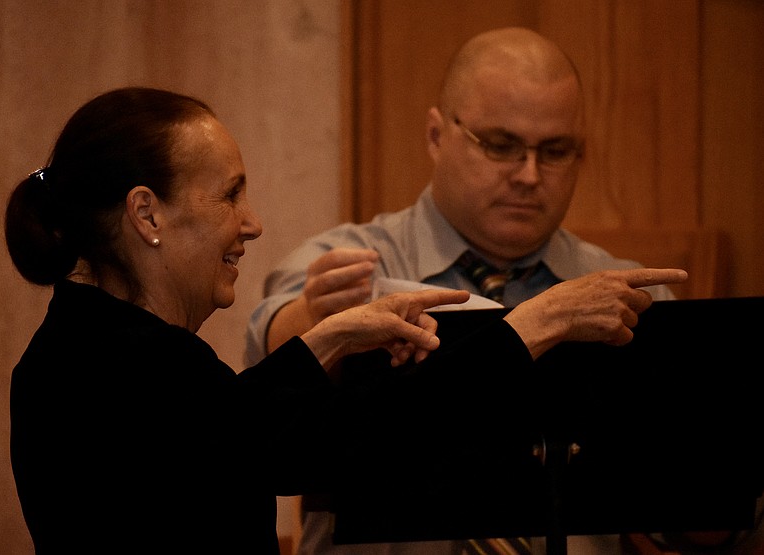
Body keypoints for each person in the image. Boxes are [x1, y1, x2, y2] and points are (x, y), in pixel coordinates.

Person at [4, 87, 685, 554]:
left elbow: (236, 425)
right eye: (230, 195)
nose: (251, 222)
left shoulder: (95, 342)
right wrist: (530, 327)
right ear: (147, 213)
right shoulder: (129, 364)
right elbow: (344, 441)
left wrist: (329, 336)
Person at [243, 27, 744, 555]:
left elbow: (701, 521)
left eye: (555, 150)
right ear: (437, 136)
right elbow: (266, 378)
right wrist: (316, 325)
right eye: (501, 145)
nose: (529, 175)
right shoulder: (355, 264)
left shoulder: (625, 295)